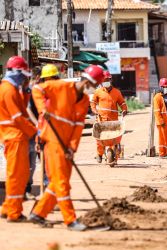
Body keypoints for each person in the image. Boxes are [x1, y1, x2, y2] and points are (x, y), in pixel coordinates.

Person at [29, 65, 105, 231]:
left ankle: (38, 213)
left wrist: (72, 148)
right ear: (87, 80)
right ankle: (70, 220)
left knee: (58, 183)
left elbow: (78, 127)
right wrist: (43, 109)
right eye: (90, 84)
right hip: (53, 140)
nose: (89, 88)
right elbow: (36, 89)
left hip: (66, 145)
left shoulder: (84, 100)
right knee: (62, 182)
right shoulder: (60, 86)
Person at [0, 56, 37, 222]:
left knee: (18, 174)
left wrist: (26, 91)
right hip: (14, 135)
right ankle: (14, 213)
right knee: (17, 175)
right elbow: (18, 117)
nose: (25, 78)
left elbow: (21, 111)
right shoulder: (9, 90)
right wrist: (36, 133)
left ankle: (8, 207)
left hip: (15, 136)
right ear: (16, 72)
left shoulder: (12, 89)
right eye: (23, 75)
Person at [25, 65, 59, 198]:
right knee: (32, 162)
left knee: (47, 162)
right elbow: (29, 110)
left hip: (48, 132)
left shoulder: (53, 92)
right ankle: (28, 188)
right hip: (34, 131)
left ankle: (47, 190)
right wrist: (37, 125)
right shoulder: (35, 91)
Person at [91, 71, 127, 163]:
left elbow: (122, 103)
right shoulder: (98, 92)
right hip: (101, 119)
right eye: (104, 80)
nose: (106, 81)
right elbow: (93, 103)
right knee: (100, 139)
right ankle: (99, 154)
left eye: (107, 80)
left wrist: (124, 109)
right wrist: (94, 110)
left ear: (111, 80)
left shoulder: (117, 92)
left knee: (113, 139)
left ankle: (114, 155)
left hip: (113, 121)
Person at [154, 78, 167, 159]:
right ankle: (162, 154)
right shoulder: (157, 97)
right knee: (162, 138)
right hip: (162, 122)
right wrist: (160, 121)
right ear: (161, 87)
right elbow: (156, 111)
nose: (166, 89)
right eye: (164, 87)